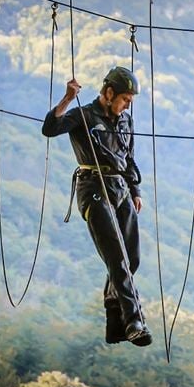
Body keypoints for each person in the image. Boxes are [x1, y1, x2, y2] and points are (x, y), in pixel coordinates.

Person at [42, 66, 152, 347]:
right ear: (109, 92)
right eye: (125, 99)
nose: (128, 105)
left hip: (120, 189)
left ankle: (114, 324)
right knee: (116, 257)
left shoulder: (125, 121)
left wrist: (135, 190)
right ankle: (133, 321)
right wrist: (67, 98)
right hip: (93, 187)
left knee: (132, 258)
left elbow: (129, 158)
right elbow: (50, 129)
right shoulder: (84, 115)